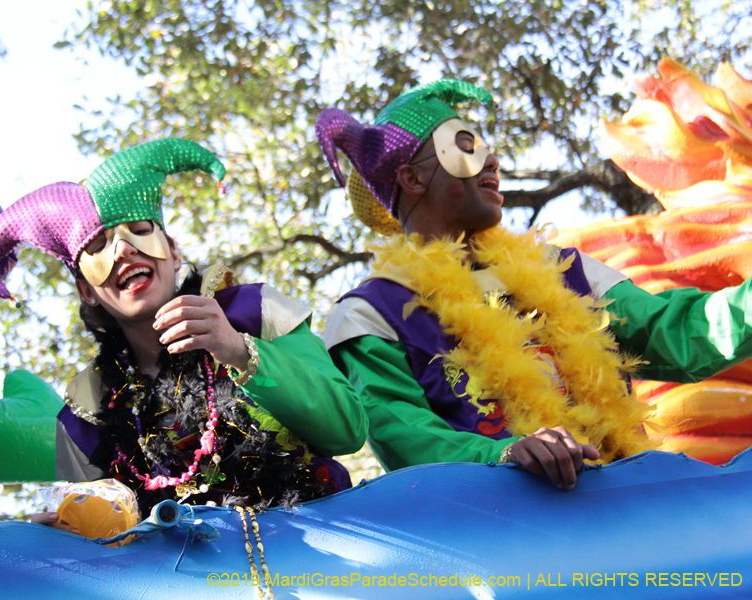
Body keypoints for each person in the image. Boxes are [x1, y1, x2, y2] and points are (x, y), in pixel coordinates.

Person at [315, 79, 752, 490]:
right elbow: (405, 437)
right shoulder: (367, 317)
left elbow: (675, 331)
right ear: (411, 178)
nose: (492, 160)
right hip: (505, 554)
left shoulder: (569, 272)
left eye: (484, 146)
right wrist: (505, 454)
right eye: (464, 148)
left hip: (635, 513)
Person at [0, 138, 367, 526]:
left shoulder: (252, 311)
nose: (123, 251)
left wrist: (239, 351)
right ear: (86, 291)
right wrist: (64, 530)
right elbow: (105, 544)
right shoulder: (90, 409)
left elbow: (347, 428)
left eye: (140, 230)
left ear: (173, 250)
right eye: (97, 246)